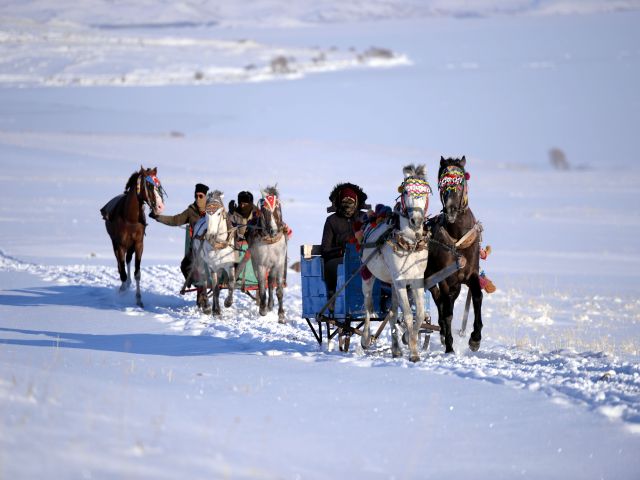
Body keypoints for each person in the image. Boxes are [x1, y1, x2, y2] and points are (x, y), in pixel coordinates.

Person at [149, 183, 210, 312]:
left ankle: (203, 294)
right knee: (185, 265)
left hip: (212, 248)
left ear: (206, 196)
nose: (198, 198)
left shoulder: (213, 210)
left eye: (201, 196)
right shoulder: (191, 211)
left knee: (200, 266)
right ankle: (199, 287)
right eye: (196, 196)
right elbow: (175, 220)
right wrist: (158, 217)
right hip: (196, 249)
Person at [321, 183, 369, 311]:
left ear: (357, 202)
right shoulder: (332, 220)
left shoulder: (365, 218)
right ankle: (332, 298)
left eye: (351, 201)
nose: (348, 205)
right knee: (332, 267)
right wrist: (341, 250)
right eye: (344, 201)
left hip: (363, 257)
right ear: (339, 201)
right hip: (338, 258)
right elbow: (325, 249)